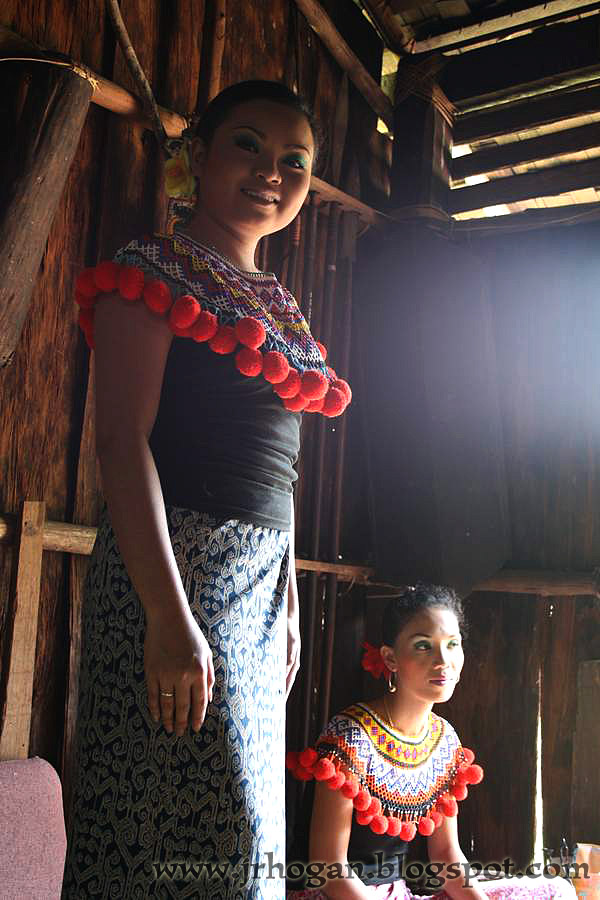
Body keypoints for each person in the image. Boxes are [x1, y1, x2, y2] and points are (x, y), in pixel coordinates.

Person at [62, 80, 351, 900]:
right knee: (179, 821)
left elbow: (277, 472)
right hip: (175, 574)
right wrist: (167, 613)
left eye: (294, 161)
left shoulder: (281, 309)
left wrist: (287, 595)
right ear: (199, 158)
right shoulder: (149, 270)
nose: (272, 172)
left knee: (247, 834)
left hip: (258, 592)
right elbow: (121, 446)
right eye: (248, 145)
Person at [286, 584, 575, 900]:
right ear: (390, 658)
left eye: (452, 644)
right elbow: (328, 870)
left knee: (554, 892)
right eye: (423, 646)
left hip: (399, 896)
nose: (443, 660)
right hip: (334, 896)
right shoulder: (351, 736)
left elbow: (447, 856)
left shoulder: (445, 741)